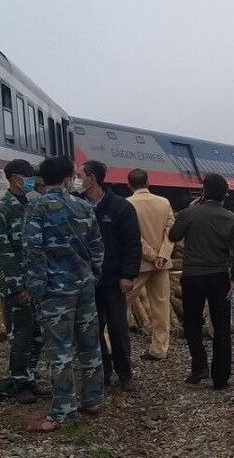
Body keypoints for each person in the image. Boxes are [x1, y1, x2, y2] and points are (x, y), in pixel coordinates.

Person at [22, 156, 105, 432]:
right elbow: (97, 247)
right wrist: (94, 275)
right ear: (69, 177)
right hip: (84, 286)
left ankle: (63, 411)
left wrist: (36, 289)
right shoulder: (83, 206)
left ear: (44, 180)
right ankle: (93, 399)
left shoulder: (36, 208)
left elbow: (33, 251)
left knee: (60, 350)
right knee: (90, 344)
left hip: (55, 292)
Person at [168, 174, 234, 389]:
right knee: (221, 326)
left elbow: (173, 236)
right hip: (219, 276)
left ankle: (199, 365)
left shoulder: (190, 213)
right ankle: (220, 378)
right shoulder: (231, 219)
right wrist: (233, 276)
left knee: (192, 322)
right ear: (224, 196)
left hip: (192, 276)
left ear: (204, 192)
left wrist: (189, 209)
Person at [77, 161, 141, 391]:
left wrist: (128, 274)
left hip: (113, 280)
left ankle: (124, 373)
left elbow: (132, 243)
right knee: (92, 329)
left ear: (92, 178)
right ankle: (102, 372)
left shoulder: (120, 207)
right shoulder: (77, 206)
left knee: (118, 327)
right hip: (86, 281)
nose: (77, 179)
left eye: (80, 175)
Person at [0, 159, 45, 404]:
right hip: (19, 284)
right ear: (13, 178)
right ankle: (20, 383)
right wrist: (16, 286)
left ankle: (30, 378)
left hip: (36, 282)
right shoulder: (1, 209)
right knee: (20, 334)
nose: (31, 181)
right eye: (27, 176)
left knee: (37, 334)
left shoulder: (31, 205)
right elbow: (3, 252)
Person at [124, 169, 176, 360]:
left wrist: (151, 255)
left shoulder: (127, 204)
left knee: (122, 303)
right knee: (161, 307)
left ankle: (113, 346)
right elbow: (171, 231)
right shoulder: (164, 202)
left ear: (129, 185)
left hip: (137, 265)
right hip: (162, 265)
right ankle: (160, 349)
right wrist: (162, 255)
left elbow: (132, 236)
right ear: (148, 181)